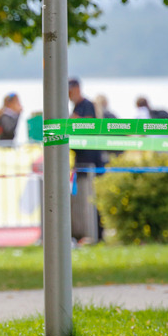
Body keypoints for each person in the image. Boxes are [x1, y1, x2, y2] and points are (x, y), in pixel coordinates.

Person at [68, 78, 105, 241]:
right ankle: (84, 234)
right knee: (81, 200)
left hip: (91, 162)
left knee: (91, 200)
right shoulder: (77, 106)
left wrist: (74, 122)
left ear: (76, 89)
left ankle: (95, 234)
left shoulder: (87, 105)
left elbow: (91, 125)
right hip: (81, 161)